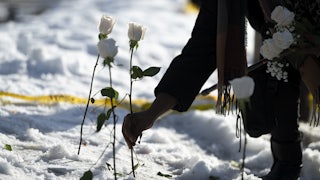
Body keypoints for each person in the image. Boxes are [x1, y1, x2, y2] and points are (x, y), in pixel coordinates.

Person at [123, 0, 320, 179]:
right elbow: (199, 52)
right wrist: (151, 113)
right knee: (276, 60)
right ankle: (287, 161)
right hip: (290, 45)